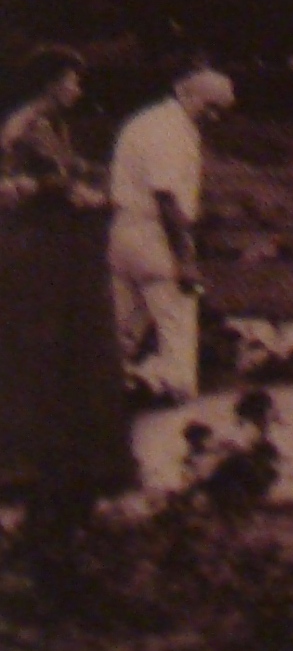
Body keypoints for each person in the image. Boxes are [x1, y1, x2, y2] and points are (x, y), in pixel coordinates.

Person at [0, 47, 137, 591]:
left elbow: (65, 173)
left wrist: (89, 184)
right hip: (34, 250)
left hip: (57, 246)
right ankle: (32, 458)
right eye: (73, 80)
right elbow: (22, 185)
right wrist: (69, 191)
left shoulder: (51, 125)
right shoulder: (27, 125)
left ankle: (66, 452)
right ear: (52, 82)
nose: (78, 89)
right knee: (39, 344)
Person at [109, 66, 235, 405]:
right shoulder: (170, 132)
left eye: (222, 111)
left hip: (123, 232)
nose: (215, 118)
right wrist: (186, 260)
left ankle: (116, 388)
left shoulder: (145, 121)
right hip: (154, 237)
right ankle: (167, 392)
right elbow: (166, 199)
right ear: (185, 93)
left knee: (123, 327)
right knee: (177, 329)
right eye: (211, 107)